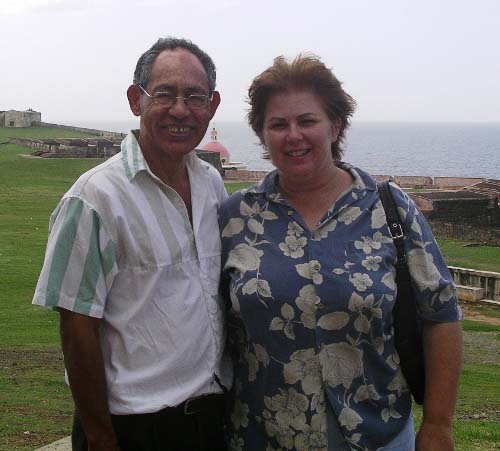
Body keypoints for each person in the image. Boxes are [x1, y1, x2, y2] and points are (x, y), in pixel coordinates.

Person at [219, 54, 462, 451]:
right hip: (262, 437)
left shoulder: (389, 208)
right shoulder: (235, 218)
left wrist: (438, 423)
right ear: (262, 135)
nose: (293, 134)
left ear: (335, 125)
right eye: (278, 124)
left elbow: (441, 314)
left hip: (378, 435)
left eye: (307, 121)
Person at [32, 37, 231, 451]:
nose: (180, 109)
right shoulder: (94, 198)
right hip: (135, 428)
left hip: (213, 417)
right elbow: (77, 326)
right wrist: (102, 438)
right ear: (135, 100)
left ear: (211, 106)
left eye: (194, 96)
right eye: (164, 94)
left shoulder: (211, 184)